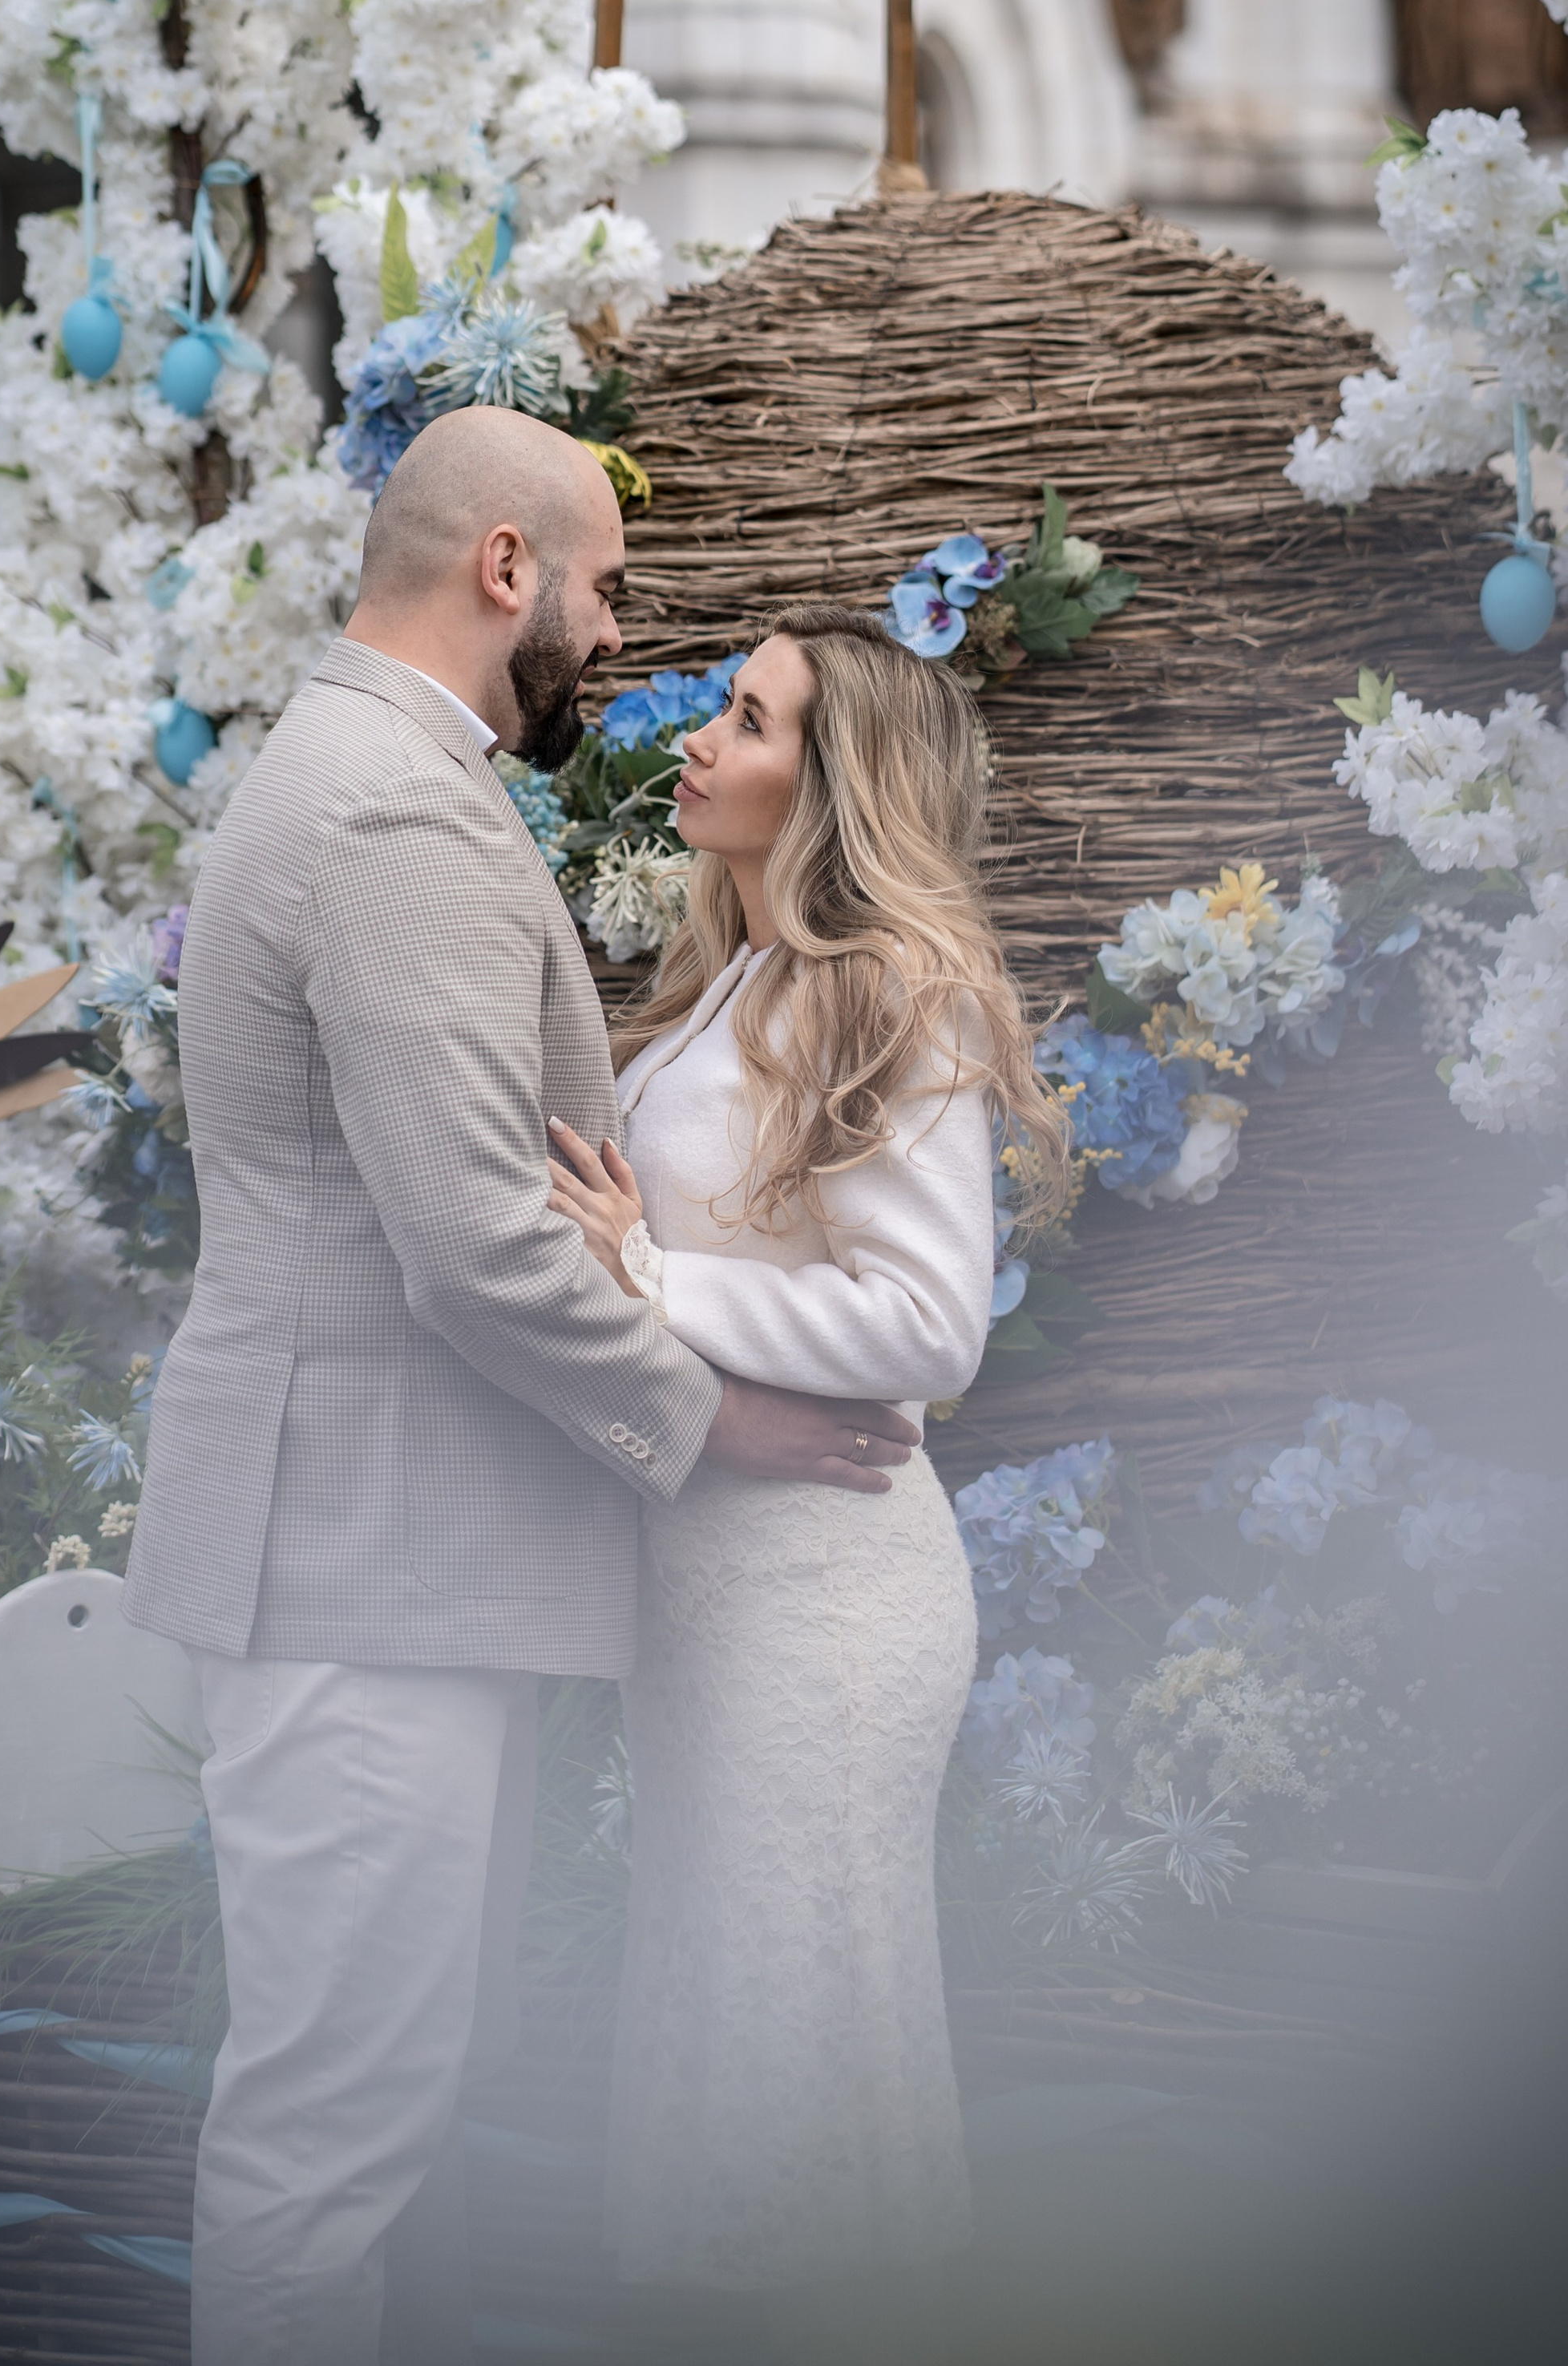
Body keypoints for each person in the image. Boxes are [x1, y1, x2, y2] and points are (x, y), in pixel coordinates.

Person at [123, 416, 923, 2366]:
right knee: (330, 2142)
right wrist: (719, 1421)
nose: (616, 636)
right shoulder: (393, 811)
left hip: (381, 1564)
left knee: (376, 2127)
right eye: (607, 591)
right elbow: (476, 1244)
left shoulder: (368, 776)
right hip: (363, 1571)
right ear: (506, 570)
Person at [547, 601, 1069, 2339]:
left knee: (796, 2042)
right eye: (725, 710)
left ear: (833, 784)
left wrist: (646, 1281)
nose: (698, 738)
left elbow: (928, 1328)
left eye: (751, 722)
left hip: (823, 1600)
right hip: (711, 1583)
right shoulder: (733, 988)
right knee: (720, 2028)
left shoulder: (888, 998)